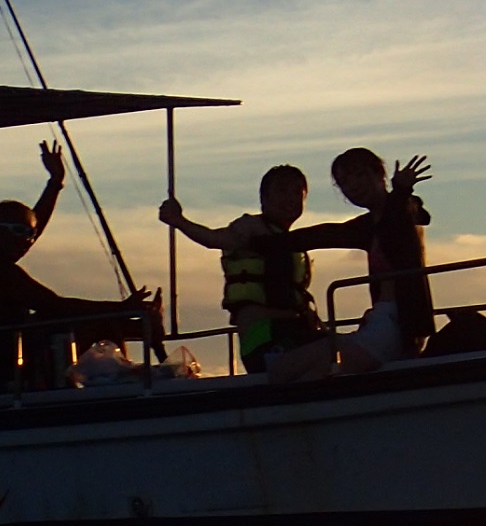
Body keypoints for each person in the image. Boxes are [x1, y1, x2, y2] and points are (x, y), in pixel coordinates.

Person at [0, 140, 158, 388]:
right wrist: (121, 308)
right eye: (22, 233)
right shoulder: (1, 273)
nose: (29, 241)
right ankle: (119, 379)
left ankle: (128, 355)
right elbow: (55, 305)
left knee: (104, 321)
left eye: (31, 235)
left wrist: (55, 183)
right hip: (3, 367)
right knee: (98, 322)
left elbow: (34, 224)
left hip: (3, 355)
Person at [160, 164, 375, 382]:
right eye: (282, 191)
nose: (290, 198)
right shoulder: (250, 229)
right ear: (264, 197)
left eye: (296, 193)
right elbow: (215, 239)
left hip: (295, 335)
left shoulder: (294, 244)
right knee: (348, 351)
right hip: (266, 341)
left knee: (357, 353)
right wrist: (179, 221)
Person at [327, 149, 434, 362]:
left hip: (400, 323)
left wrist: (401, 190)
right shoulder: (368, 225)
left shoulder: (404, 208)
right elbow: (323, 234)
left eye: (359, 175)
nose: (353, 186)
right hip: (383, 319)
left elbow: (398, 217)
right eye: (344, 182)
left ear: (379, 175)